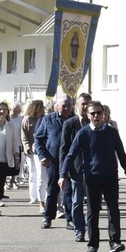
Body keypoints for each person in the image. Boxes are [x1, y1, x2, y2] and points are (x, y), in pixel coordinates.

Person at [60, 101, 126, 252]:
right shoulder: (83, 133)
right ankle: (93, 243)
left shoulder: (112, 132)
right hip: (91, 177)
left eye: (99, 112)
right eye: (93, 113)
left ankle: (115, 241)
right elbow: (70, 155)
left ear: (104, 114)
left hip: (110, 177)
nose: (96, 116)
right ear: (88, 116)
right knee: (93, 211)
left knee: (113, 209)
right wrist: (63, 175)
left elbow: (121, 154)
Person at [35, 95, 73, 229]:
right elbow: (38, 139)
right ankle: (48, 217)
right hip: (53, 160)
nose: (67, 108)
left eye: (69, 105)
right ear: (57, 106)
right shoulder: (48, 120)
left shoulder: (74, 120)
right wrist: (42, 156)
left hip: (70, 161)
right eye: (64, 105)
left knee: (68, 191)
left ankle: (70, 219)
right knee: (52, 190)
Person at [60, 93, 93, 240]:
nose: (85, 107)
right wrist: (63, 172)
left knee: (93, 204)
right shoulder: (70, 123)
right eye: (83, 104)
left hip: (93, 169)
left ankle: (91, 229)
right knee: (77, 202)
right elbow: (64, 149)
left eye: (88, 104)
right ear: (77, 106)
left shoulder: (95, 123)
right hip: (76, 169)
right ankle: (79, 230)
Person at [22, 100, 47, 213]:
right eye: (42, 107)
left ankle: (44, 198)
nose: (44, 108)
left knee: (41, 175)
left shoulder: (45, 119)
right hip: (31, 151)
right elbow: (23, 135)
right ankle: (35, 197)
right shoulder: (27, 119)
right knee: (34, 173)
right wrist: (26, 146)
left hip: (41, 150)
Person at [7, 101, 24, 189]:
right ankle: (5, 181)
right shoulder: (7, 118)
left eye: (17, 110)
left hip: (18, 142)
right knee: (6, 162)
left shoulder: (21, 118)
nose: (15, 111)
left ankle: (13, 180)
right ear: (10, 109)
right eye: (14, 110)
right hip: (7, 142)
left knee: (16, 162)